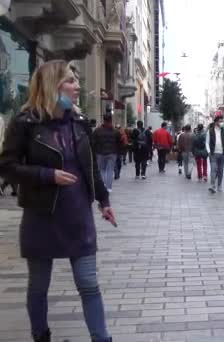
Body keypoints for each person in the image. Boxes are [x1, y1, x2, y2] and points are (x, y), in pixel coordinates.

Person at [0, 60, 116, 342]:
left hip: (78, 216)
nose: (77, 87)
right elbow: (7, 165)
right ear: (53, 85)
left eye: (76, 81)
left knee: (89, 284)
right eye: (70, 81)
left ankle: (102, 338)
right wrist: (46, 174)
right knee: (39, 285)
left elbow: (88, 167)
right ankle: (41, 335)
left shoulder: (78, 123)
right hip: (42, 216)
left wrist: (104, 201)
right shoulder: (26, 123)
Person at [91, 114, 123, 192]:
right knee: (110, 170)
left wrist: (94, 152)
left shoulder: (97, 131)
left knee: (101, 170)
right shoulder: (115, 131)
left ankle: (102, 186)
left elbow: (93, 142)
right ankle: (109, 187)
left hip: (100, 152)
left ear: (103, 120)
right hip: (112, 152)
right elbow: (119, 142)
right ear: (111, 120)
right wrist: (118, 151)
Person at [206, 114, 224, 193]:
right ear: (215, 122)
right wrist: (209, 152)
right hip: (213, 154)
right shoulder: (210, 131)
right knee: (213, 170)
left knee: (220, 171)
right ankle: (212, 186)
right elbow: (207, 143)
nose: (222, 123)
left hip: (222, 154)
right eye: (220, 121)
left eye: (222, 121)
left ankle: (219, 186)